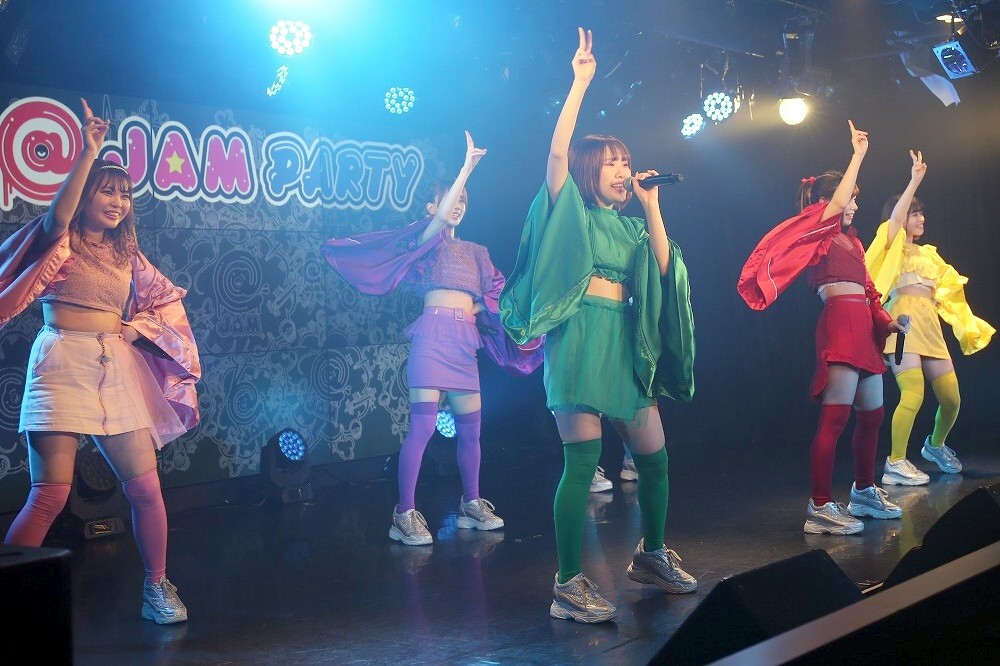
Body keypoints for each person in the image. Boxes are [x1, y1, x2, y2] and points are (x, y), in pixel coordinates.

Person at [499, 28, 698, 623]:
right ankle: (567, 583)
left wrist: (652, 205)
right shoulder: (572, 211)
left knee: (655, 458)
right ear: (591, 171)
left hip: (625, 342)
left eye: (626, 162)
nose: (622, 170)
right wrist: (581, 83)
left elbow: (664, 269)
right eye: (611, 162)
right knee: (582, 464)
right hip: (582, 337)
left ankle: (652, 554)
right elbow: (557, 157)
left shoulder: (633, 226)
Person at [0, 99, 202, 624]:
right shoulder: (60, 239)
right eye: (107, 191)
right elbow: (57, 216)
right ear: (87, 193)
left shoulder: (125, 253)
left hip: (114, 365)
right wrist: (89, 150)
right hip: (61, 360)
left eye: (125, 194)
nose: (118, 202)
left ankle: (156, 587)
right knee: (50, 494)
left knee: (146, 487)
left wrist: (135, 328)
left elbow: (167, 299)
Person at [322, 131, 542, 547]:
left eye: (463, 201)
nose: (458, 205)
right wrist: (466, 169)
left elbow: (497, 294)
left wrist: (477, 308)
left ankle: (471, 503)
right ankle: (403, 513)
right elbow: (441, 219)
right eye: (450, 199)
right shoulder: (426, 240)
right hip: (432, 339)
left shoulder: (476, 251)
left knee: (471, 431)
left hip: (464, 344)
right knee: (422, 427)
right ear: (430, 207)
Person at [738, 120, 909, 536]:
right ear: (826, 201)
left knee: (873, 416)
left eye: (856, 199)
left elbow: (870, 291)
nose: (855, 206)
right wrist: (858, 155)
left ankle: (864, 491)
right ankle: (819, 506)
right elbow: (835, 207)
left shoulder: (853, 241)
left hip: (863, 329)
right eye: (851, 198)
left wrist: (888, 322)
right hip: (839, 327)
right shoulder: (819, 231)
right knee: (834, 420)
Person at [865, 150, 994, 484]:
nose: (921, 218)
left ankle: (935, 445)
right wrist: (914, 181)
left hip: (930, 329)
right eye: (915, 213)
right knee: (913, 394)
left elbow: (951, 292)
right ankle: (895, 462)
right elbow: (895, 221)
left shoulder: (930, 255)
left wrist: (965, 323)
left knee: (951, 399)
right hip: (902, 325)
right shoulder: (891, 243)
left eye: (922, 213)